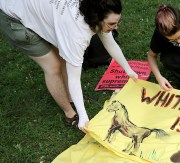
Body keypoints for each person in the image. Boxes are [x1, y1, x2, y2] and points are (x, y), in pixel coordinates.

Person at [0, 0, 138, 132]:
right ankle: (70, 114)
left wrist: (128, 69)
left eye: (117, 22)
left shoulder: (95, 8)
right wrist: (83, 115)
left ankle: (72, 99)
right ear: (97, 19)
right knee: (53, 67)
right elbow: (74, 77)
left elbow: (109, 41)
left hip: (39, 9)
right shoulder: (77, 35)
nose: (116, 27)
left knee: (64, 57)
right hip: (12, 15)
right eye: (112, 24)